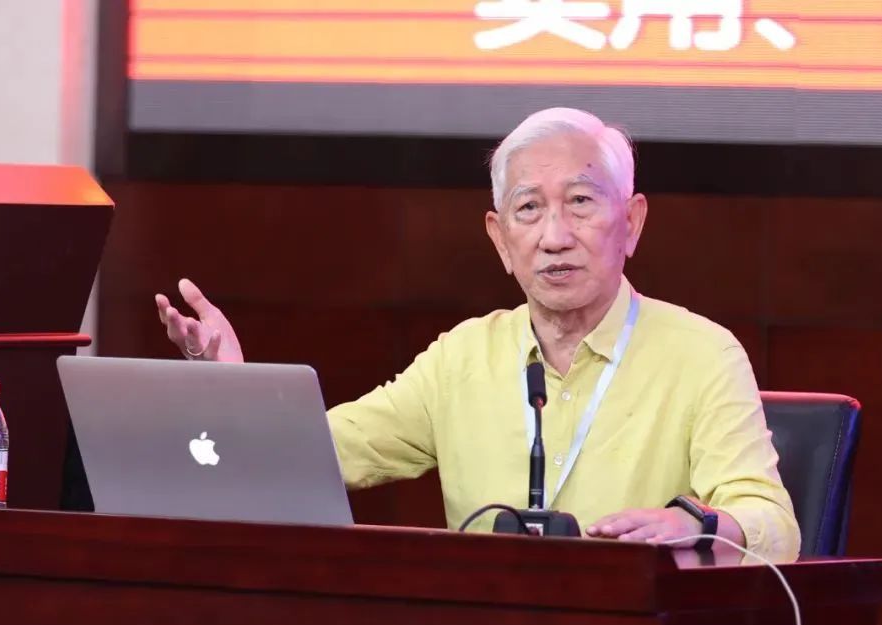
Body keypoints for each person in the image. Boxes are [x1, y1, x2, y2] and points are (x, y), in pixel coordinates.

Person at [155, 107, 800, 559]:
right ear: (500, 240)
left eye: (581, 202)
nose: (555, 236)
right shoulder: (463, 357)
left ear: (630, 223)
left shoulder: (701, 355)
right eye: (529, 208)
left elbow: (774, 523)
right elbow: (321, 452)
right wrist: (232, 390)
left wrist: (693, 525)